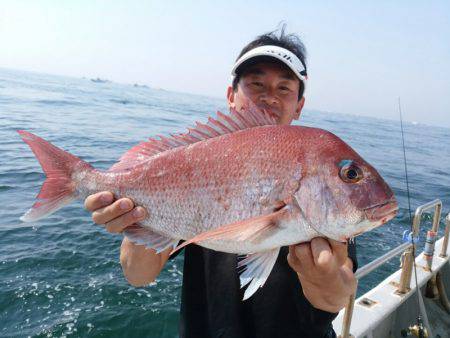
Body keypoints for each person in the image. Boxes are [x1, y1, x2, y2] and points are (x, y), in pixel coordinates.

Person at [84, 28, 358, 338]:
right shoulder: (198, 158)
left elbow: (337, 295)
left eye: (284, 88)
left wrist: (325, 279)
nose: (269, 96)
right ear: (231, 96)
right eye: (256, 83)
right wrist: (133, 215)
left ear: (299, 106)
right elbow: (138, 275)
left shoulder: (321, 174)